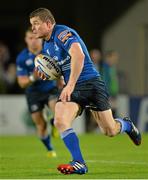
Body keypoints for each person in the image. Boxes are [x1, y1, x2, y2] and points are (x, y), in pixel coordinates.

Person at [29, 8, 141, 175]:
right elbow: (61, 70)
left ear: (48, 23)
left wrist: (70, 84)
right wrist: (52, 76)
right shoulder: (46, 46)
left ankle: (126, 125)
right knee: (60, 119)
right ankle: (79, 163)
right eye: (32, 25)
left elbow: (78, 56)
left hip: (91, 83)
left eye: (36, 24)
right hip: (74, 89)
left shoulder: (62, 33)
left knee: (109, 130)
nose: (33, 28)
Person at [16, 27, 59, 158]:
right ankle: (50, 149)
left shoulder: (48, 51)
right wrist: (33, 77)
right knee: (41, 125)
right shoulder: (22, 58)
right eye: (30, 38)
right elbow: (21, 82)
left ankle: (55, 123)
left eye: (35, 38)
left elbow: (59, 68)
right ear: (26, 40)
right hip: (33, 93)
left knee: (57, 111)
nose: (33, 41)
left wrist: (60, 78)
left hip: (50, 88)